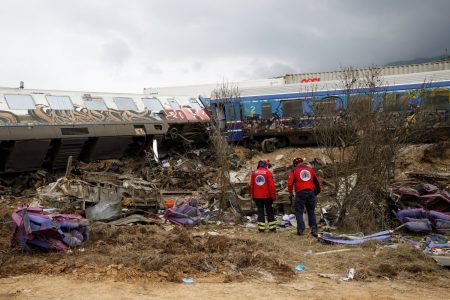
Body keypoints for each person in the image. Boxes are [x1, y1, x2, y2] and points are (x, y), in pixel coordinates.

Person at [287, 157, 321, 237]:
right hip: (310, 192)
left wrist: (290, 192)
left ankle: (301, 229)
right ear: (302, 162)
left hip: (300, 193)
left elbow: (289, 183)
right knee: (311, 211)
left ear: (295, 164)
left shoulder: (294, 170)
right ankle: (314, 229)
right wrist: (317, 192)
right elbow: (317, 182)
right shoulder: (310, 169)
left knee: (299, 211)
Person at [250, 160, 277, 232]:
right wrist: (273, 196)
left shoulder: (254, 173)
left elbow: (252, 186)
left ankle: (261, 228)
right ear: (265, 165)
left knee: (260, 211)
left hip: (257, 196)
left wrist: (253, 195)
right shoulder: (268, 172)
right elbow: (271, 186)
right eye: (267, 165)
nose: (268, 167)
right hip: (267, 196)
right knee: (270, 211)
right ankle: (272, 228)